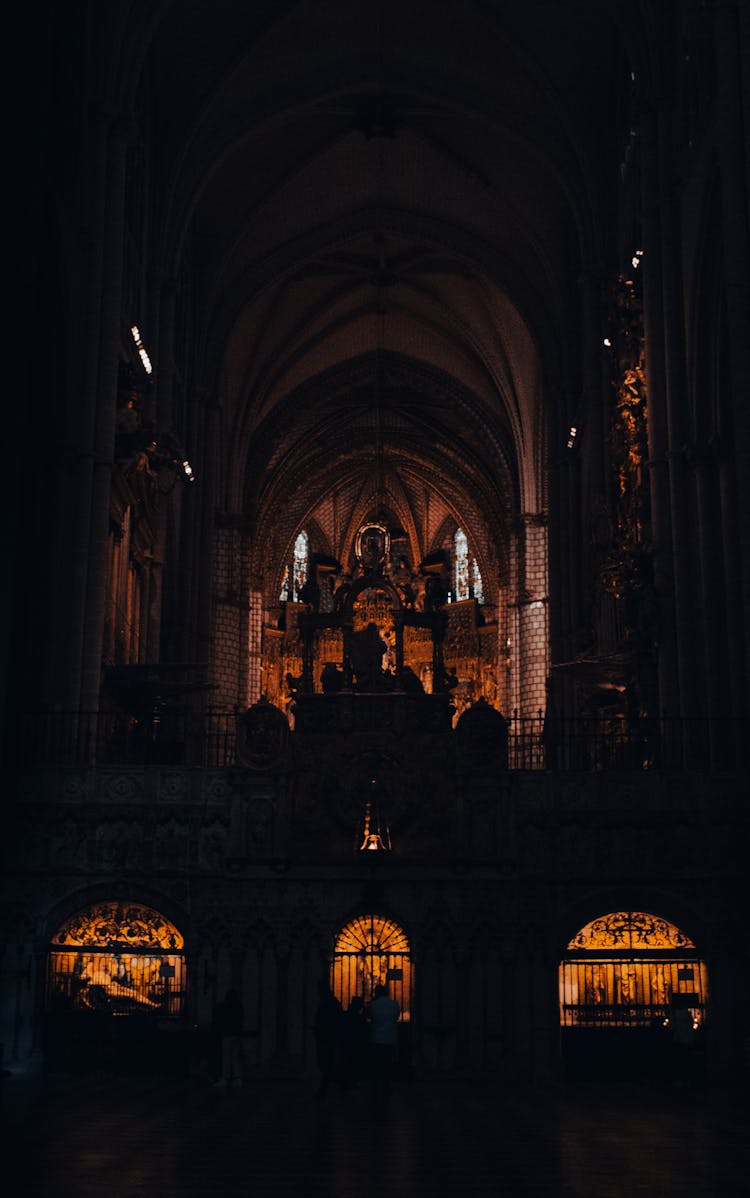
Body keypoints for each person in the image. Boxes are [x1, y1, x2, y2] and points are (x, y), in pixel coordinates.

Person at [368, 982, 400, 1108]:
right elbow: (396, 1018)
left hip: (376, 1039)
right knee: (387, 1065)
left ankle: (375, 1088)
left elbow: (370, 1017)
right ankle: (386, 1087)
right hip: (390, 1038)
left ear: (377, 993)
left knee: (376, 1065)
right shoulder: (394, 1004)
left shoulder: (373, 1005)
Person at [313, 982, 342, 1099]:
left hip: (327, 1038)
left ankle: (323, 1090)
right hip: (327, 1038)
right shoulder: (331, 1002)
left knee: (327, 1065)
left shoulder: (327, 1003)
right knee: (327, 1065)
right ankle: (338, 1083)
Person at [212, 987, 244, 1086]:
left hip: (227, 1035)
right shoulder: (239, 1007)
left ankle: (225, 1078)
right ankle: (237, 1078)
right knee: (235, 1057)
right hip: (237, 1035)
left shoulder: (226, 1007)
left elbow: (222, 1020)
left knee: (226, 1057)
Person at [338, 995, 369, 1095]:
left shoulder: (346, 1015)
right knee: (355, 1065)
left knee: (347, 1064)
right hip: (356, 1045)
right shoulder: (360, 1018)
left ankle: (345, 1086)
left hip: (347, 1044)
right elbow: (364, 1032)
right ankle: (353, 1084)